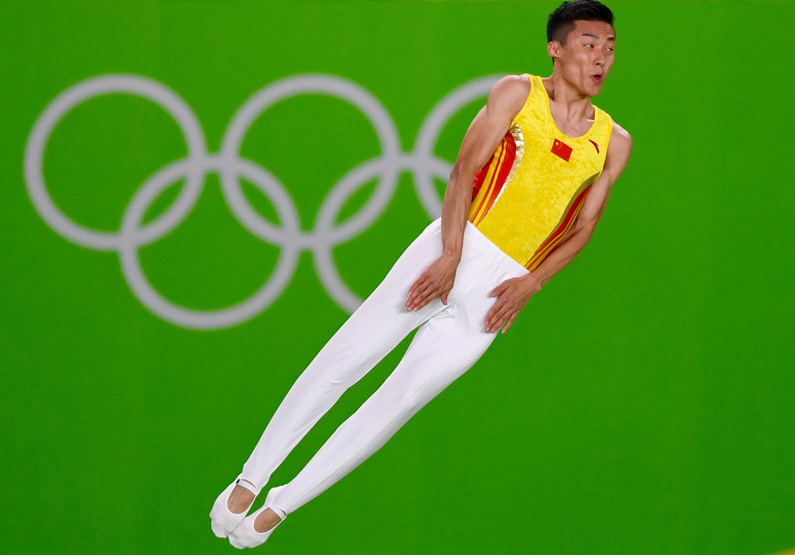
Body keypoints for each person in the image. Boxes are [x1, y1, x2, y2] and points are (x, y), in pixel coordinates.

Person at [210, 0, 632, 548]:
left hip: (501, 289)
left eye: (610, 48)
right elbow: (464, 172)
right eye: (590, 44)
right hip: (449, 249)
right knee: (346, 358)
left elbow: (584, 228)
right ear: (556, 48)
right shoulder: (517, 93)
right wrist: (451, 253)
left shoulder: (613, 142)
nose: (601, 58)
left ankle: (285, 501)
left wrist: (531, 283)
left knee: (399, 402)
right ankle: (251, 477)